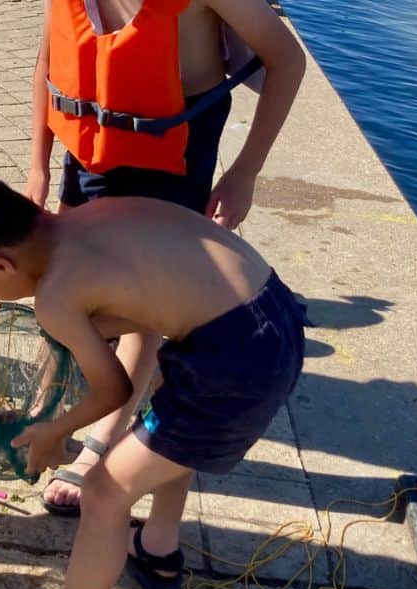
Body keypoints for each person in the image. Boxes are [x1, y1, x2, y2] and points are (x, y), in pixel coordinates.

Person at [0, 171, 306, 589]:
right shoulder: (85, 219)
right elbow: (140, 294)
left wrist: (52, 433)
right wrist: (48, 412)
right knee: (162, 434)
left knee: (103, 490)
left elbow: (113, 390)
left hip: (236, 359)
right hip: (270, 309)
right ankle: (158, 548)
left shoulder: (56, 295)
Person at [27, 0, 305, 515]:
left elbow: (287, 59)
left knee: (143, 302)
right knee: (59, 275)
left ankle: (104, 440)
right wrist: (38, 169)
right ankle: (42, 407)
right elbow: (50, 59)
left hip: (173, 145)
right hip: (90, 137)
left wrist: (244, 173)